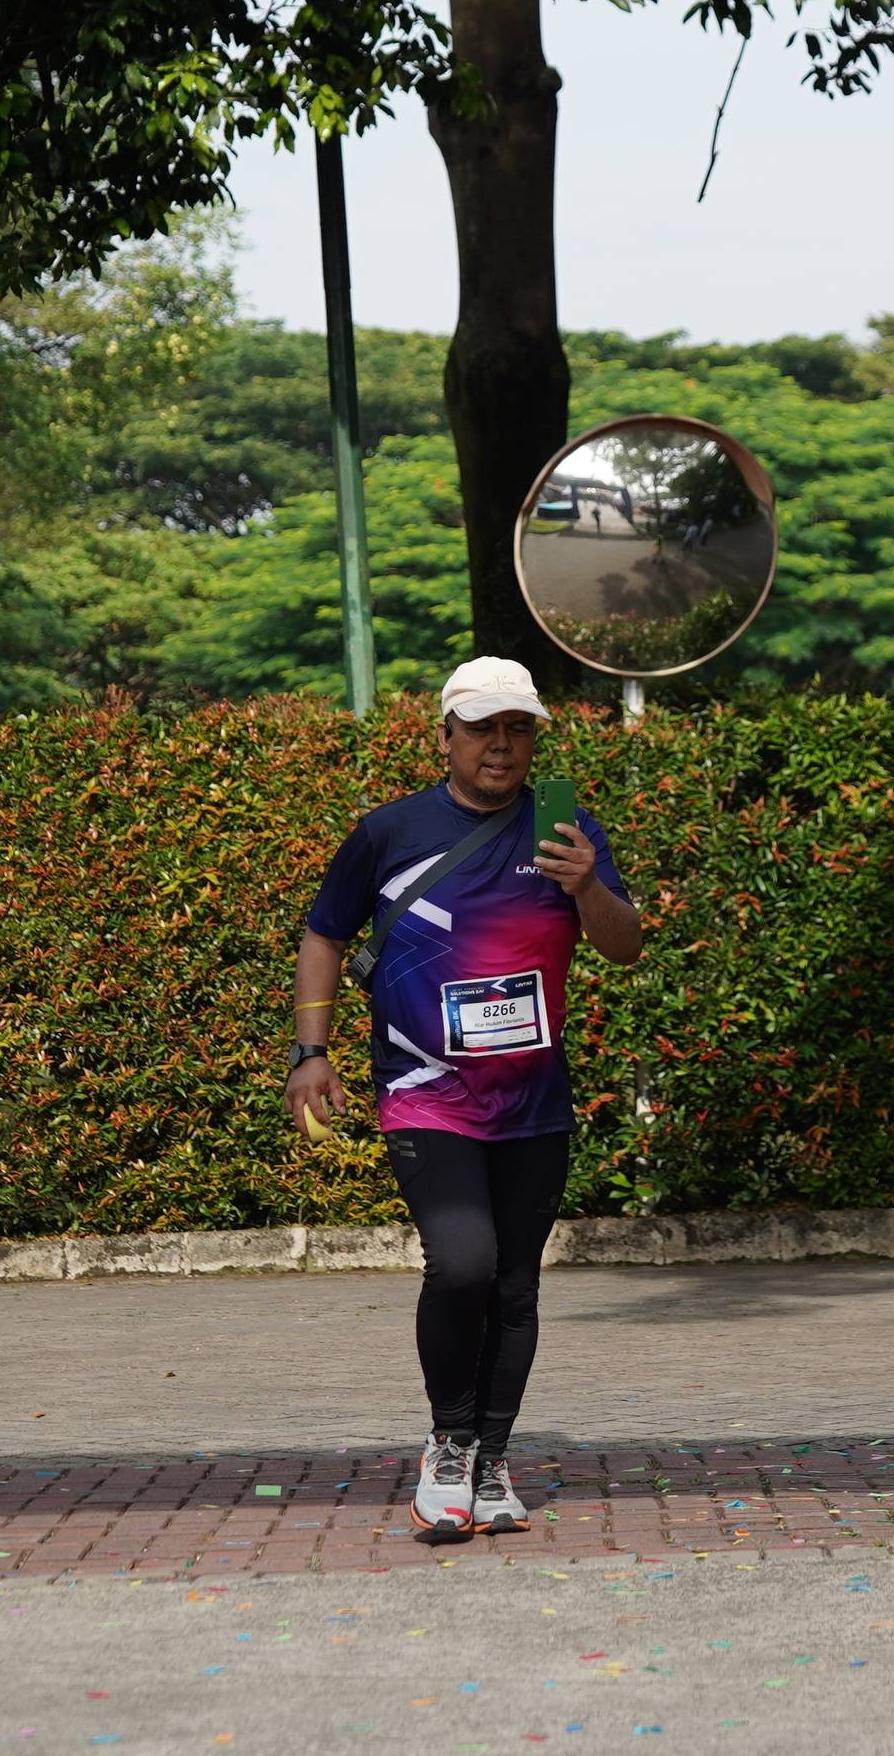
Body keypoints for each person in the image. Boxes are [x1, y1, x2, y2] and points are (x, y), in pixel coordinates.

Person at [288, 655, 644, 1541]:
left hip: (534, 1100)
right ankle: (448, 1445)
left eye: (518, 729)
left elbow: (626, 945)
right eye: (483, 728)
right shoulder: (391, 832)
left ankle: (490, 1463)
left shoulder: (567, 832)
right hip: (425, 1092)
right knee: (462, 1264)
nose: (501, 745)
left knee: (515, 1285)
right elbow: (324, 934)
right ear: (444, 735)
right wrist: (311, 1052)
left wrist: (586, 885)